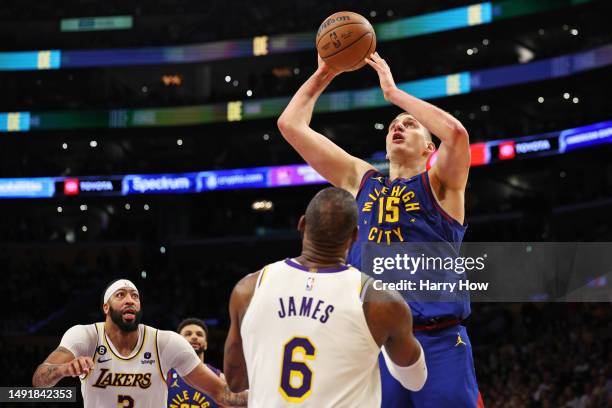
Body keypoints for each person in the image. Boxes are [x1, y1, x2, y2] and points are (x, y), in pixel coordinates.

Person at [277, 53, 482, 407]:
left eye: (410, 125)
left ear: (430, 147)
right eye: (393, 126)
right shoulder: (362, 180)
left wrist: (394, 93)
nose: (398, 127)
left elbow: (457, 134)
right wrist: (326, 71)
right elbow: (291, 124)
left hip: (439, 341)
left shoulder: (442, 186)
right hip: (375, 345)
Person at [223, 187, 427, 407]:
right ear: (355, 235)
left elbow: (235, 381)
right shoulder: (381, 302)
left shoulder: (248, 289)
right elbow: (415, 381)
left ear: (302, 224)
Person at [32, 279, 247, 408]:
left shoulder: (165, 342)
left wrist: (267, 394)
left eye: (135, 296)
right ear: (106, 307)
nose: (130, 300)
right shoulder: (85, 336)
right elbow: (39, 380)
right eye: (121, 295)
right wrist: (63, 369)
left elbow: (221, 392)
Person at [167, 318, 221, 408]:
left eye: (199, 334)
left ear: (206, 344)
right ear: (177, 343)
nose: (194, 337)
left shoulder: (219, 377)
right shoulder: (164, 374)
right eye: (188, 334)